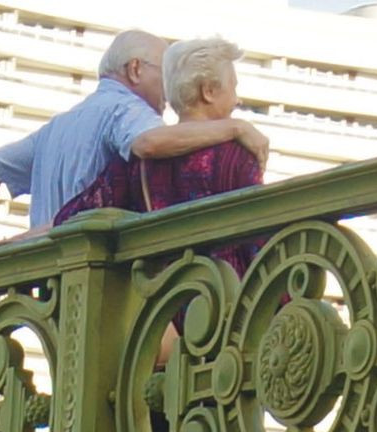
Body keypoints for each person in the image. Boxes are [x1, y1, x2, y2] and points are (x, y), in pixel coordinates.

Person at [0, 28, 267, 253]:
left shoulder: (57, 127)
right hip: (101, 286)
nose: (168, 87)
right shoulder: (128, 110)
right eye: (164, 74)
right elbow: (148, 144)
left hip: (48, 288)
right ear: (136, 69)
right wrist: (236, 128)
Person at [64, 35, 265, 270]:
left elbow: (72, 217)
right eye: (234, 88)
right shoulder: (237, 157)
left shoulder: (133, 165)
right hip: (223, 290)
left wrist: (33, 235)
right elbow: (259, 244)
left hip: (157, 290)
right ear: (208, 91)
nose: (237, 100)